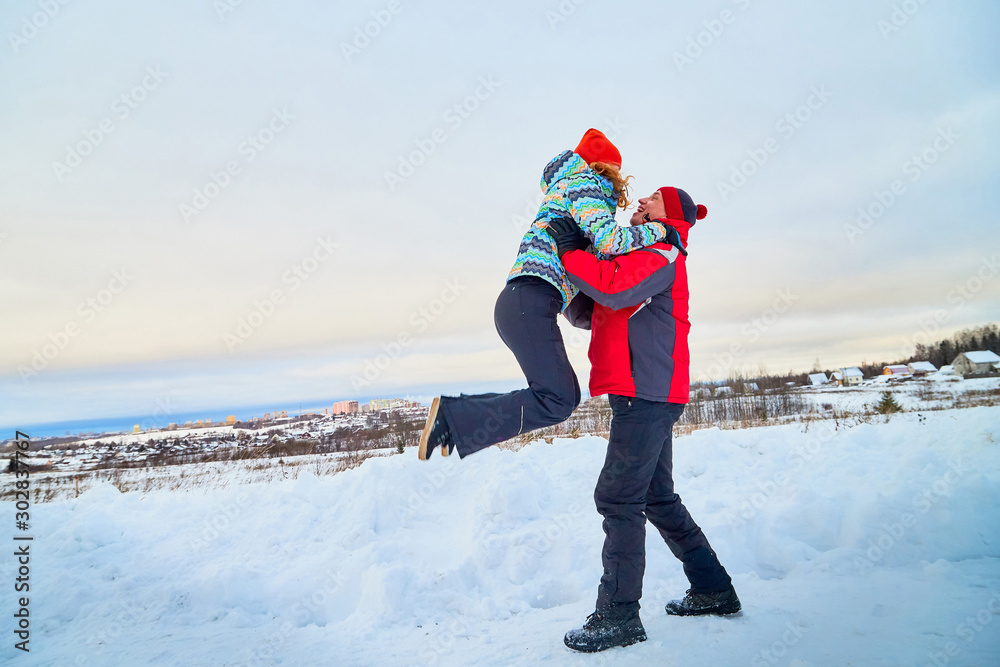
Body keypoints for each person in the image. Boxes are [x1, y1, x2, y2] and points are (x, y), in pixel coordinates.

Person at [550, 187, 740, 653]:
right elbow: (599, 307)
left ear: (670, 214)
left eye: (651, 200)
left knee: (617, 497)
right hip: (644, 392)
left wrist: (572, 250)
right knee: (656, 497)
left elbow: (613, 286)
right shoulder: (647, 255)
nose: (640, 204)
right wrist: (572, 270)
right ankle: (713, 588)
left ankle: (618, 616)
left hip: (647, 393)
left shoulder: (663, 250)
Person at [417, 129, 673, 460]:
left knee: (560, 397)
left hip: (524, 304)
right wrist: (660, 230)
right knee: (558, 398)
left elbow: (586, 285)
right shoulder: (585, 186)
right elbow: (610, 241)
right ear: (606, 169)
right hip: (529, 302)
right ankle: (452, 418)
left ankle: (453, 420)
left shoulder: (566, 191)